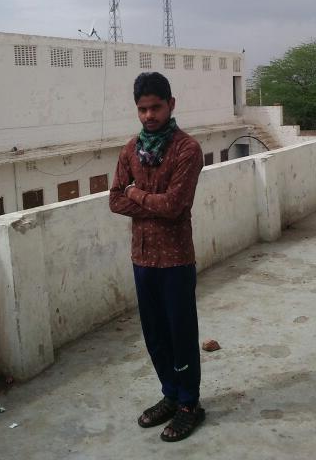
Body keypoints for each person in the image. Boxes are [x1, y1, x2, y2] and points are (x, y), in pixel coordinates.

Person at [109, 71, 205, 443]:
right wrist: (151, 201)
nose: (149, 115)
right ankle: (171, 394)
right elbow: (114, 199)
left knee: (181, 334)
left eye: (156, 107)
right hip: (142, 258)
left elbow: (175, 205)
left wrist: (136, 194)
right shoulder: (130, 150)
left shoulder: (187, 150)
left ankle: (190, 404)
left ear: (171, 105)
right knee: (155, 335)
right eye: (142, 109)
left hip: (176, 259)